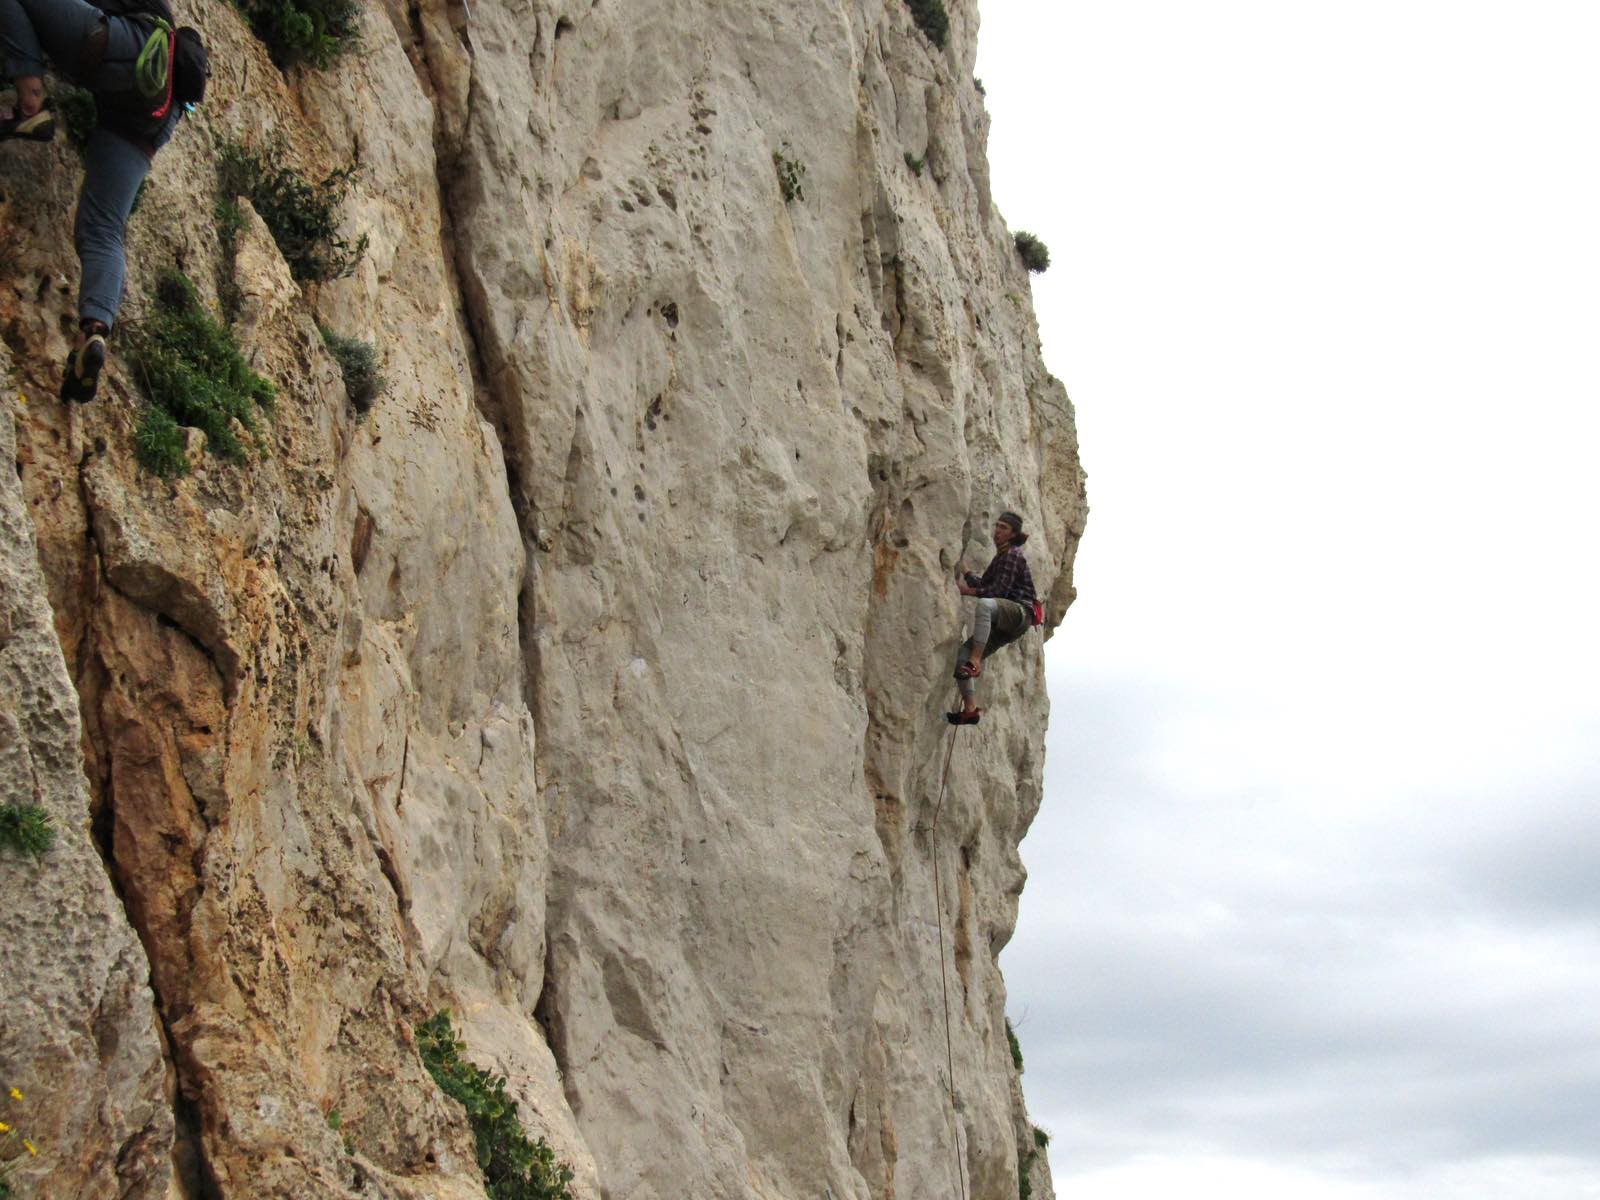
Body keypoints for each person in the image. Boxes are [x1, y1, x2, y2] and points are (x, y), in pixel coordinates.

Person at [0, 0, 206, 400]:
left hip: (128, 52)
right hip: (158, 114)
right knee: (103, 230)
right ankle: (93, 333)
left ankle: (31, 105)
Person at [948, 510, 1038, 725]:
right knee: (962, 656)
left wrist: (965, 591)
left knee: (986, 605)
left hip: (1019, 612)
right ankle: (970, 710)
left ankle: (976, 660)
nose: (997, 531)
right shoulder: (1000, 556)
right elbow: (986, 585)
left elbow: (998, 591)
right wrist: (968, 574)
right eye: (997, 526)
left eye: (1003, 528)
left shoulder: (1013, 555)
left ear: (1013, 533)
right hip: (1004, 623)